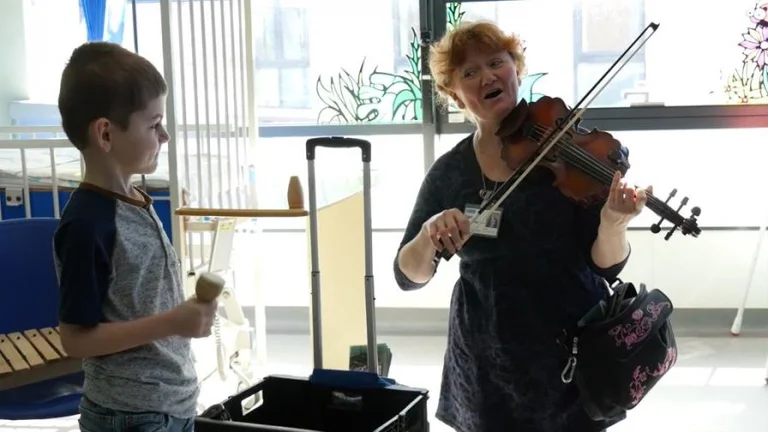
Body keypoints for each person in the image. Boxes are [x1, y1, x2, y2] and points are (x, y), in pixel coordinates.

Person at [393, 21, 651, 432]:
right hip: (485, 363)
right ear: (453, 92)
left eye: (497, 62)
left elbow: (606, 265)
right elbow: (408, 274)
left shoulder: (565, 150)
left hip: (570, 354)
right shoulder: (450, 173)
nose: (487, 77)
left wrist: (613, 223)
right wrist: (429, 235)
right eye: (470, 72)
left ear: (516, 69)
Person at [53, 42, 217, 432]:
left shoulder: (136, 200)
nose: (165, 136)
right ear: (106, 133)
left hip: (171, 405)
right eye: (154, 124)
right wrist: (173, 322)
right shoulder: (87, 224)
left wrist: (182, 316)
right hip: (129, 417)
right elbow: (76, 340)